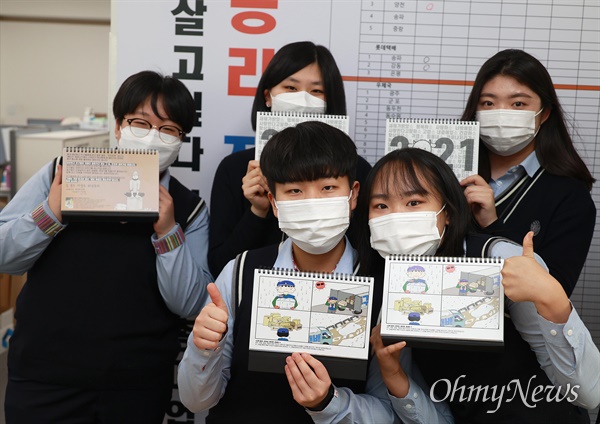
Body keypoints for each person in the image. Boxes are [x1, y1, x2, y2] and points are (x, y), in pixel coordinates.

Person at [0, 70, 213, 423]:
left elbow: (190, 304)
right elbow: (5, 257)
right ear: (118, 127)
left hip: (135, 385)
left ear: (180, 140)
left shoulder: (189, 208)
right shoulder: (61, 173)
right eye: (140, 123)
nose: (153, 138)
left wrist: (168, 232)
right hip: (44, 377)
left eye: (169, 130)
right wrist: (51, 213)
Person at [355, 148, 599, 423]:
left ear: (447, 211)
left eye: (414, 202)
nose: (396, 217)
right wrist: (394, 375)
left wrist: (553, 299)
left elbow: (588, 394)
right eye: (381, 206)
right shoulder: (389, 290)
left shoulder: (500, 260)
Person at [178, 121, 397, 424]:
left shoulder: (383, 285)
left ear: (354, 194)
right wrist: (202, 348)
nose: (312, 202)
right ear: (274, 202)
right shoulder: (241, 273)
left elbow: (390, 412)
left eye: (328, 188)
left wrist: (328, 403)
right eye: (294, 190)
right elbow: (196, 400)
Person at [208, 40, 372, 277]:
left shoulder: (355, 168)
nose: (304, 99)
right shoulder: (234, 169)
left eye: (317, 91)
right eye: (291, 88)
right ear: (268, 96)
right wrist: (257, 211)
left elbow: (366, 254)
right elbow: (221, 268)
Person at [459, 49, 596, 296]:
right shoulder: (449, 173)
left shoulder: (570, 197)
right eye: (488, 103)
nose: (501, 114)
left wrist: (493, 224)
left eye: (518, 104)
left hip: (513, 333)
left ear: (544, 113)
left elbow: (555, 294)